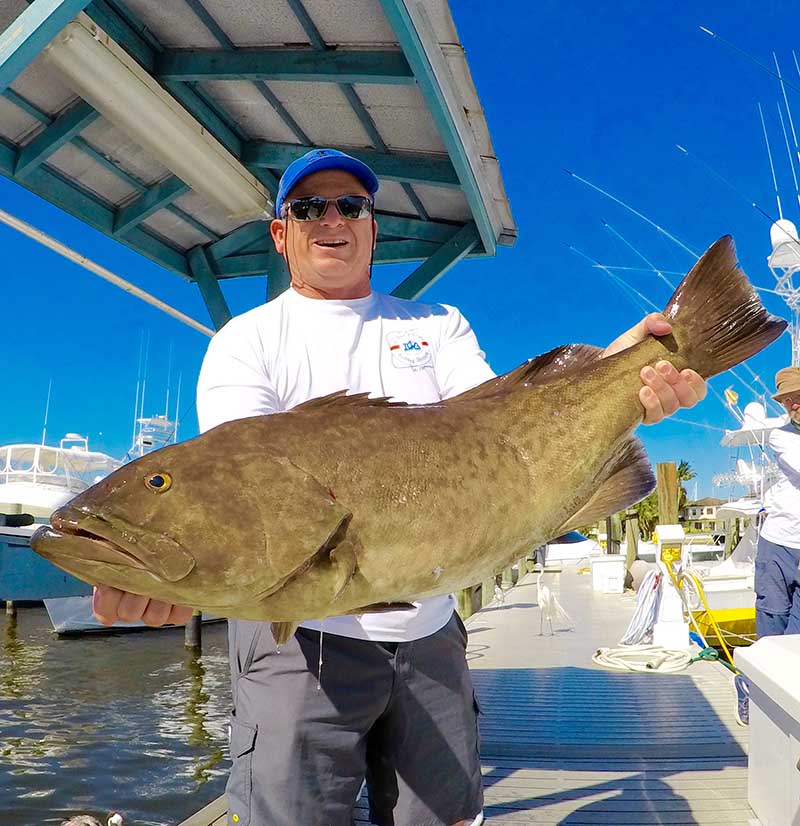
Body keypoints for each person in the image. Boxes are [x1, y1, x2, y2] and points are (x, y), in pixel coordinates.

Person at [92, 148, 706, 826]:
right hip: (302, 647)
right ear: (280, 232)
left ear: (373, 228)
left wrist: (623, 372)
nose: (333, 219)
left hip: (431, 638)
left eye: (351, 206)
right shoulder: (248, 341)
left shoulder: (437, 325)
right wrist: (169, 572)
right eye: (309, 207)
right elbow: (245, 501)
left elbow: (497, 429)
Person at [735, 366, 800, 726]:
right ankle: (749, 688)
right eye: (789, 399)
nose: (795, 403)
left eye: (799, 396)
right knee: (771, 623)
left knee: (797, 638)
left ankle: (781, 702)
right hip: (778, 545)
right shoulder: (782, 437)